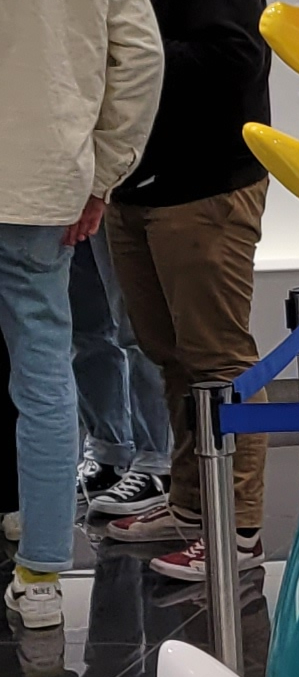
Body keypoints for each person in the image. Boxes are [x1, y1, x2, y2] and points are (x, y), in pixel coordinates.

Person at [58, 0, 272, 588]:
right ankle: (190, 504)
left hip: (205, 188)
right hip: (139, 186)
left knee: (217, 360)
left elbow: (237, 58)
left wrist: (133, 56)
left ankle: (238, 528)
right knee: (168, 355)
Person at [0, 0, 164, 631]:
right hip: (43, 186)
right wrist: (103, 174)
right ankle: (40, 574)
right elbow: (139, 58)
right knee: (44, 372)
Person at [69, 222, 171, 520]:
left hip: (119, 201)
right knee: (86, 330)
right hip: (67, 199)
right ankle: (109, 457)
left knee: (137, 328)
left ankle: (156, 464)